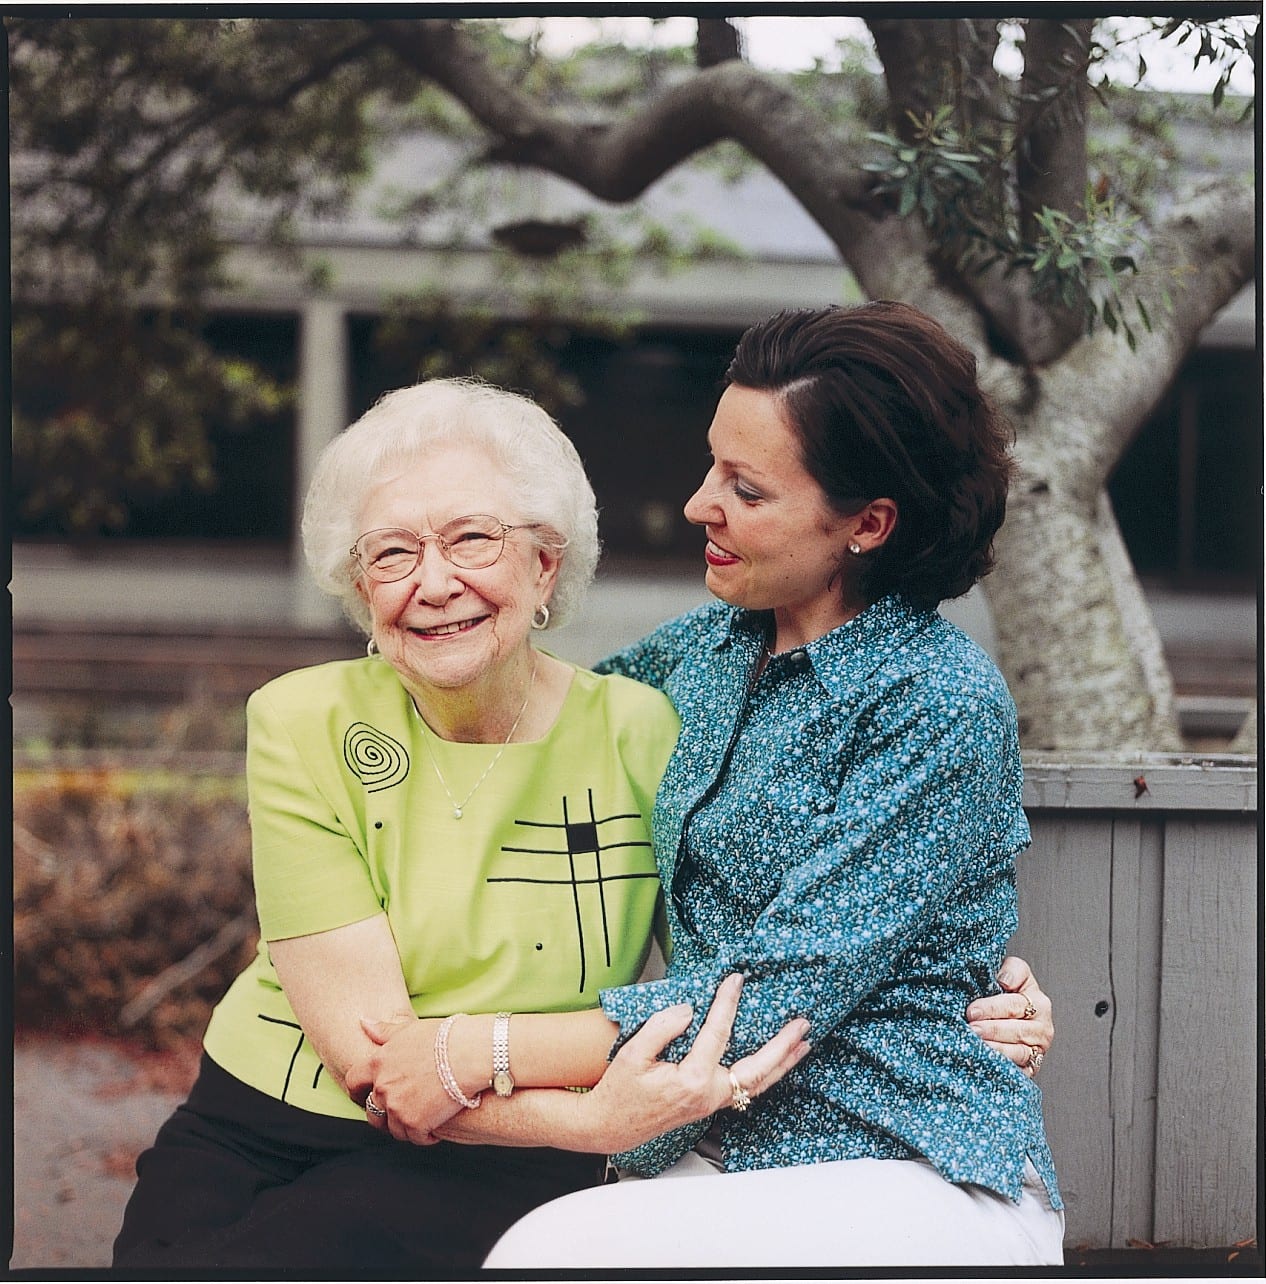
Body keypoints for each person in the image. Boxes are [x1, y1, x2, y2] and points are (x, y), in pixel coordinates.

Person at [353, 302, 1064, 1268]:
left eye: (746, 488)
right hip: (706, 1146)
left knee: (552, 1253)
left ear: (868, 523)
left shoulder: (938, 701)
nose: (698, 505)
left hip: (911, 1158)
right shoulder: (706, 651)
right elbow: (531, 725)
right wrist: (451, 599)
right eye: (710, 467)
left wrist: (475, 1049)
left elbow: (767, 996)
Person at [111, 378, 811, 1275]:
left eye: (473, 539)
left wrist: (962, 999)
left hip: (501, 1153)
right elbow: (377, 1066)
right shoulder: (301, 720)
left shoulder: (645, 733)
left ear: (544, 565)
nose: (435, 584)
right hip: (265, 1117)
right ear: (361, 590)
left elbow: (741, 971)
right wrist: (590, 1123)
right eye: (392, 554)